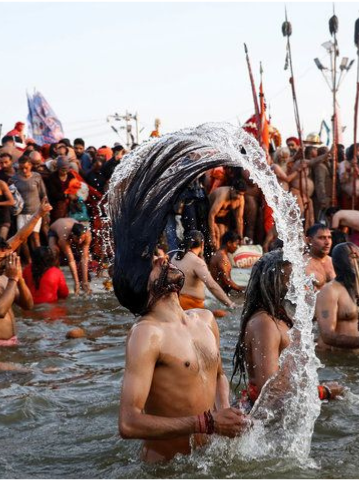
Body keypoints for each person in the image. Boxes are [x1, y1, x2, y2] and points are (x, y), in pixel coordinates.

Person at [109, 137, 250, 461]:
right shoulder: (146, 334)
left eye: (158, 254)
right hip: (166, 469)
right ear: (141, 285)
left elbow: (217, 378)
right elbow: (128, 423)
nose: (163, 258)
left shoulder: (205, 319)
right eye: (152, 262)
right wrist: (208, 422)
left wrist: (225, 416)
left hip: (207, 459)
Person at [230, 250, 343, 409]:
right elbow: (268, 393)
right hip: (262, 418)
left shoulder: (279, 316)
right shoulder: (265, 324)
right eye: (292, 277)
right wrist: (323, 392)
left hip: (284, 410)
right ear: (272, 281)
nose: (299, 283)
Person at [315, 243, 359, 352]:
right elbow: (327, 336)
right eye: (353, 256)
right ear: (340, 263)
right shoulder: (329, 291)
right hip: (336, 360)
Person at [170, 230, 236, 311]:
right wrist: (230, 304)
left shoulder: (175, 256)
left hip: (175, 302)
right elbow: (212, 286)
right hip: (191, 306)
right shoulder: (197, 262)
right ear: (202, 244)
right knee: (223, 314)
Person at [10, 156, 48, 253]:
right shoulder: (14, 179)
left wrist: (45, 211)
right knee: (23, 239)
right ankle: (29, 261)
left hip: (36, 211)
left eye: (26, 168)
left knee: (35, 237)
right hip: (21, 213)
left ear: (30, 166)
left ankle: (40, 258)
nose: (24, 170)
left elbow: (43, 194)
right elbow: (11, 195)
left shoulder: (36, 177)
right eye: (21, 168)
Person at [48, 218, 91, 295]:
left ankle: (84, 282)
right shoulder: (64, 236)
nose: (80, 241)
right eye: (78, 238)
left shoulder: (87, 234)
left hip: (70, 223)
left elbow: (84, 258)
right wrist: (76, 283)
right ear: (72, 235)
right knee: (54, 252)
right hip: (54, 230)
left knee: (84, 255)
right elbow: (71, 260)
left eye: (82, 238)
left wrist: (85, 281)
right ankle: (56, 278)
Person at [208, 180, 245, 250]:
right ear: (232, 188)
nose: (238, 196)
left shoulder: (241, 199)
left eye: (241, 194)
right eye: (237, 193)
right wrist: (212, 235)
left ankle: (221, 255)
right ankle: (216, 257)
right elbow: (211, 215)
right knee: (217, 235)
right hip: (207, 213)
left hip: (220, 218)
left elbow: (239, 219)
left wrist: (241, 238)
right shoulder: (223, 195)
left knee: (223, 235)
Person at [304, 223, 335, 290]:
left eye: (329, 237)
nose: (327, 242)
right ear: (309, 240)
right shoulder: (302, 264)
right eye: (322, 238)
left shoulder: (335, 262)